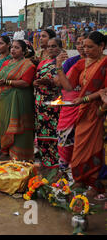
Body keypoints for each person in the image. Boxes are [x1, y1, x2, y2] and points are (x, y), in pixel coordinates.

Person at [55, 31, 106, 196]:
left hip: (99, 112)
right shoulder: (81, 64)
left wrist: (85, 99)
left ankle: (95, 184)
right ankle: (80, 180)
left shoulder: (105, 64)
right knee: (79, 148)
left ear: (102, 46)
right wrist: (58, 67)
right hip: (83, 112)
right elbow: (68, 87)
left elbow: (105, 90)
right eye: (84, 46)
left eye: (90, 47)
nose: (86, 50)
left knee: (95, 148)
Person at [0, 40, 36, 161]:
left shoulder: (28, 64)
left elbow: (26, 82)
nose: (12, 50)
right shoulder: (6, 63)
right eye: (12, 47)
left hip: (19, 100)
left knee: (19, 128)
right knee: (5, 125)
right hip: (4, 100)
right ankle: (6, 150)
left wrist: (7, 82)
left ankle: (19, 155)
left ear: (24, 51)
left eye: (17, 48)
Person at [54, 33, 87, 169]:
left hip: (88, 106)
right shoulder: (71, 62)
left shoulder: (101, 63)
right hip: (70, 106)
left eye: (85, 44)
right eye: (79, 44)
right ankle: (64, 171)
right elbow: (58, 82)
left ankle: (82, 175)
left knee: (84, 141)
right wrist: (59, 66)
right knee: (65, 139)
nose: (81, 47)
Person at [33, 38, 63, 169]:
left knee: (53, 132)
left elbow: (63, 82)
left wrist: (49, 83)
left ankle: (57, 164)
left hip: (54, 102)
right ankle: (46, 162)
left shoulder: (62, 62)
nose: (50, 48)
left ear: (60, 48)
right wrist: (36, 82)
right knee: (41, 132)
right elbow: (37, 77)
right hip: (40, 101)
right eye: (49, 46)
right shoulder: (43, 62)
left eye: (54, 46)